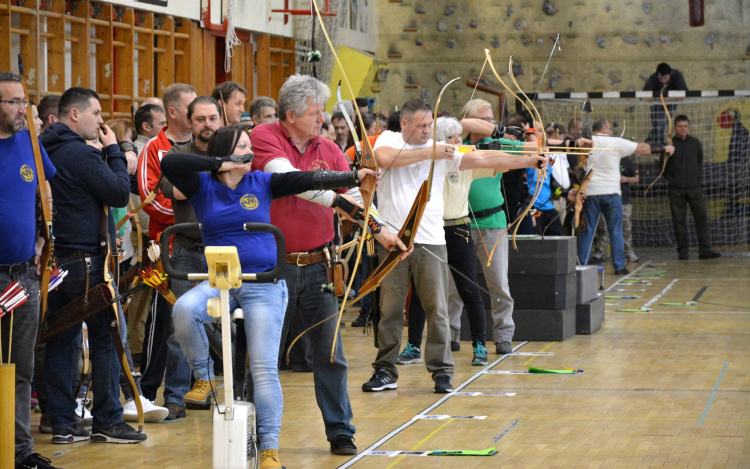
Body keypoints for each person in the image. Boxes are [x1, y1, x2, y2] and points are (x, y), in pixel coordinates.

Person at [165, 124, 375, 469]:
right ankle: (203, 377)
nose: (251, 154)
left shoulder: (261, 182)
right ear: (224, 153)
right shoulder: (201, 185)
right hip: (221, 278)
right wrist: (219, 163)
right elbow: (170, 165)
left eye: (250, 147)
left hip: (263, 283)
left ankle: (269, 450)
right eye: (242, 149)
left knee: (263, 370)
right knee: (185, 310)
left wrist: (353, 175)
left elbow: (306, 181)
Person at [250, 74, 409, 456]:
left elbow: (352, 193)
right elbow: (289, 180)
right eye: (314, 112)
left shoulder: (327, 146)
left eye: (322, 110)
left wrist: (383, 229)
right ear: (290, 115)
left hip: (321, 265)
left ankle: (341, 431)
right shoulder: (265, 137)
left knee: (331, 354)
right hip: (274, 268)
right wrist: (350, 206)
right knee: (262, 358)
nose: (322, 118)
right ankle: (254, 436)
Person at [364, 98, 548, 393]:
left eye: (430, 125)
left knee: (437, 307)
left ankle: (442, 371)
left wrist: (528, 160)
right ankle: (385, 370)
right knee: (391, 308)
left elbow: (486, 159)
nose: (427, 130)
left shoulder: (442, 149)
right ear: (405, 124)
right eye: (421, 126)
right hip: (394, 239)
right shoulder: (389, 139)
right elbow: (384, 159)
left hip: (432, 240)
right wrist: (430, 153)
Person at [41, 87, 146, 444]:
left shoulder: (44, 148)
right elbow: (119, 192)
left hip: (55, 264)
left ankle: (61, 423)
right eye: (96, 113)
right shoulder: (79, 154)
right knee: (105, 338)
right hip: (86, 264)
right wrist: (115, 150)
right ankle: (108, 421)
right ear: (75, 115)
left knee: (60, 341)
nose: (101, 121)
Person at [0, 72, 61, 469]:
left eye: (23, 101)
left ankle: (18, 451)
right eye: (11, 102)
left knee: (21, 368)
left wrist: (42, 241)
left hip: (23, 274)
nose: (22, 109)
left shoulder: (31, 143)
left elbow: (47, 191)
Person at [160, 96, 223, 418]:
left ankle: (227, 388)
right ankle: (174, 397)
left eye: (212, 118)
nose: (207, 125)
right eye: (200, 119)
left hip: (224, 253)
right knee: (179, 327)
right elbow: (175, 191)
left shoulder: (233, 152)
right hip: (186, 250)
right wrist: (217, 172)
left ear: (220, 120)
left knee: (232, 325)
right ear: (190, 121)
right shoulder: (177, 155)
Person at [137, 83, 196, 409]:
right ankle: (147, 391)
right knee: (164, 321)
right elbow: (149, 200)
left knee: (200, 318)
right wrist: (187, 215)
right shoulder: (154, 149)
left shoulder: (205, 146)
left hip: (203, 246)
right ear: (172, 112)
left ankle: (190, 387)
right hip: (165, 248)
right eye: (190, 110)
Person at [578, 119, 673, 273]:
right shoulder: (615, 142)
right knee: (615, 230)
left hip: (591, 192)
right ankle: (619, 266)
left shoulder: (584, 142)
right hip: (612, 193)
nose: (612, 131)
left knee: (588, 230)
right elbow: (643, 149)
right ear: (603, 128)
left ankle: (580, 265)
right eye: (610, 128)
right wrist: (665, 148)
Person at [664, 115, 721, 260]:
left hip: (694, 188)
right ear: (675, 128)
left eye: (685, 126)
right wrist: (674, 180)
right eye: (680, 126)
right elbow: (662, 167)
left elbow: (699, 161)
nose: (683, 129)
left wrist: (695, 179)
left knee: (701, 217)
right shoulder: (670, 144)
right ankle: (683, 251)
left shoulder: (695, 143)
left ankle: (705, 250)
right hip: (676, 190)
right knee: (679, 220)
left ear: (689, 127)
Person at [591, 157, 640, 263]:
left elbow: (636, 178)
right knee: (604, 228)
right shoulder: (604, 160)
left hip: (624, 200)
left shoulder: (627, 161)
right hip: (607, 199)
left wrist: (625, 179)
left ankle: (629, 253)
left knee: (626, 228)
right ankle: (600, 253)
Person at [644, 63, 688, 146]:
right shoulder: (653, 78)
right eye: (661, 78)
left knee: (660, 123)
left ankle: (658, 146)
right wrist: (658, 99)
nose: (663, 81)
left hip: (671, 102)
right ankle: (652, 143)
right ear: (657, 75)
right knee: (657, 125)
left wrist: (670, 98)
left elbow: (685, 94)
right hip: (656, 103)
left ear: (670, 74)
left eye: (666, 78)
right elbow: (643, 97)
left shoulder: (677, 76)